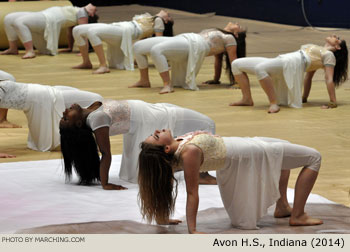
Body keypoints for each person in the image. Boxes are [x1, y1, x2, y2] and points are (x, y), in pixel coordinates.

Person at [138, 129, 323, 233]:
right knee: (314, 157)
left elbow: (162, 179)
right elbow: (192, 192)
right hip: (249, 153)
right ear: (167, 148)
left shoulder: (178, 144)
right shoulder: (189, 152)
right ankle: (298, 215)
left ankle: (282, 206)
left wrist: (161, 216)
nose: (156, 131)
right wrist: (192, 230)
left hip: (245, 142)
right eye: (155, 136)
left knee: (286, 147)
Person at [59, 100, 216, 190]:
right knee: (207, 124)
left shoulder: (88, 109)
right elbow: (105, 152)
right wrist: (105, 183)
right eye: (66, 118)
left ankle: (189, 167)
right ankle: (201, 174)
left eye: (63, 115)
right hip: (153, 117)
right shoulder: (96, 119)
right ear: (79, 123)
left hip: (152, 110)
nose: (65, 112)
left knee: (202, 126)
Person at [230, 35, 348, 113]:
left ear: (337, 47)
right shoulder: (319, 49)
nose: (334, 35)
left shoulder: (329, 56)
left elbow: (329, 78)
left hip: (292, 63)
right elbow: (309, 77)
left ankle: (274, 103)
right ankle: (247, 99)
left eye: (337, 38)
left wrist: (333, 102)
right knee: (236, 64)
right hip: (284, 59)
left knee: (260, 69)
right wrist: (304, 98)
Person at [130, 22, 246, 94]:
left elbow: (233, 61)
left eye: (238, 26)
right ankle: (144, 80)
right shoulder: (219, 33)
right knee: (138, 47)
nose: (236, 22)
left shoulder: (230, 39)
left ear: (236, 34)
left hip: (195, 45)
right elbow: (218, 61)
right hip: (186, 38)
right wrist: (216, 80)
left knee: (157, 50)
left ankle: (167, 84)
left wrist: (238, 82)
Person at [0, 70, 103, 151]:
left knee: (80, 94)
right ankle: (99, 140)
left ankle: (89, 137)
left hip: (41, 90)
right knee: (96, 99)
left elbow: (9, 77)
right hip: (42, 98)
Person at [72, 10, 174, 74]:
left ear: (166, 21)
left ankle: (103, 66)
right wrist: (136, 59)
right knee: (77, 30)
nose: (166, 12)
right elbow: (143, 40)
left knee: (92, 32)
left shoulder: (159, 21)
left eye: (169, 15)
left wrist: (163, 63)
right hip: (120, 25)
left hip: (125, 31)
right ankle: (86, 62)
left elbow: (156, 42)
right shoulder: (150, 18)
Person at [0, 3, 98, 58]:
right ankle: (13, 49)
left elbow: (82, 32)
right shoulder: (77, 10)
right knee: (9, 18)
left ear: (90, 16)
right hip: (44, 13)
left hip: (49, 19)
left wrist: (83, 51)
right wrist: (69, 48)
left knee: (19, 22)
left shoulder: (83, 13)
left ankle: (30, 51)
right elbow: (70, 33)